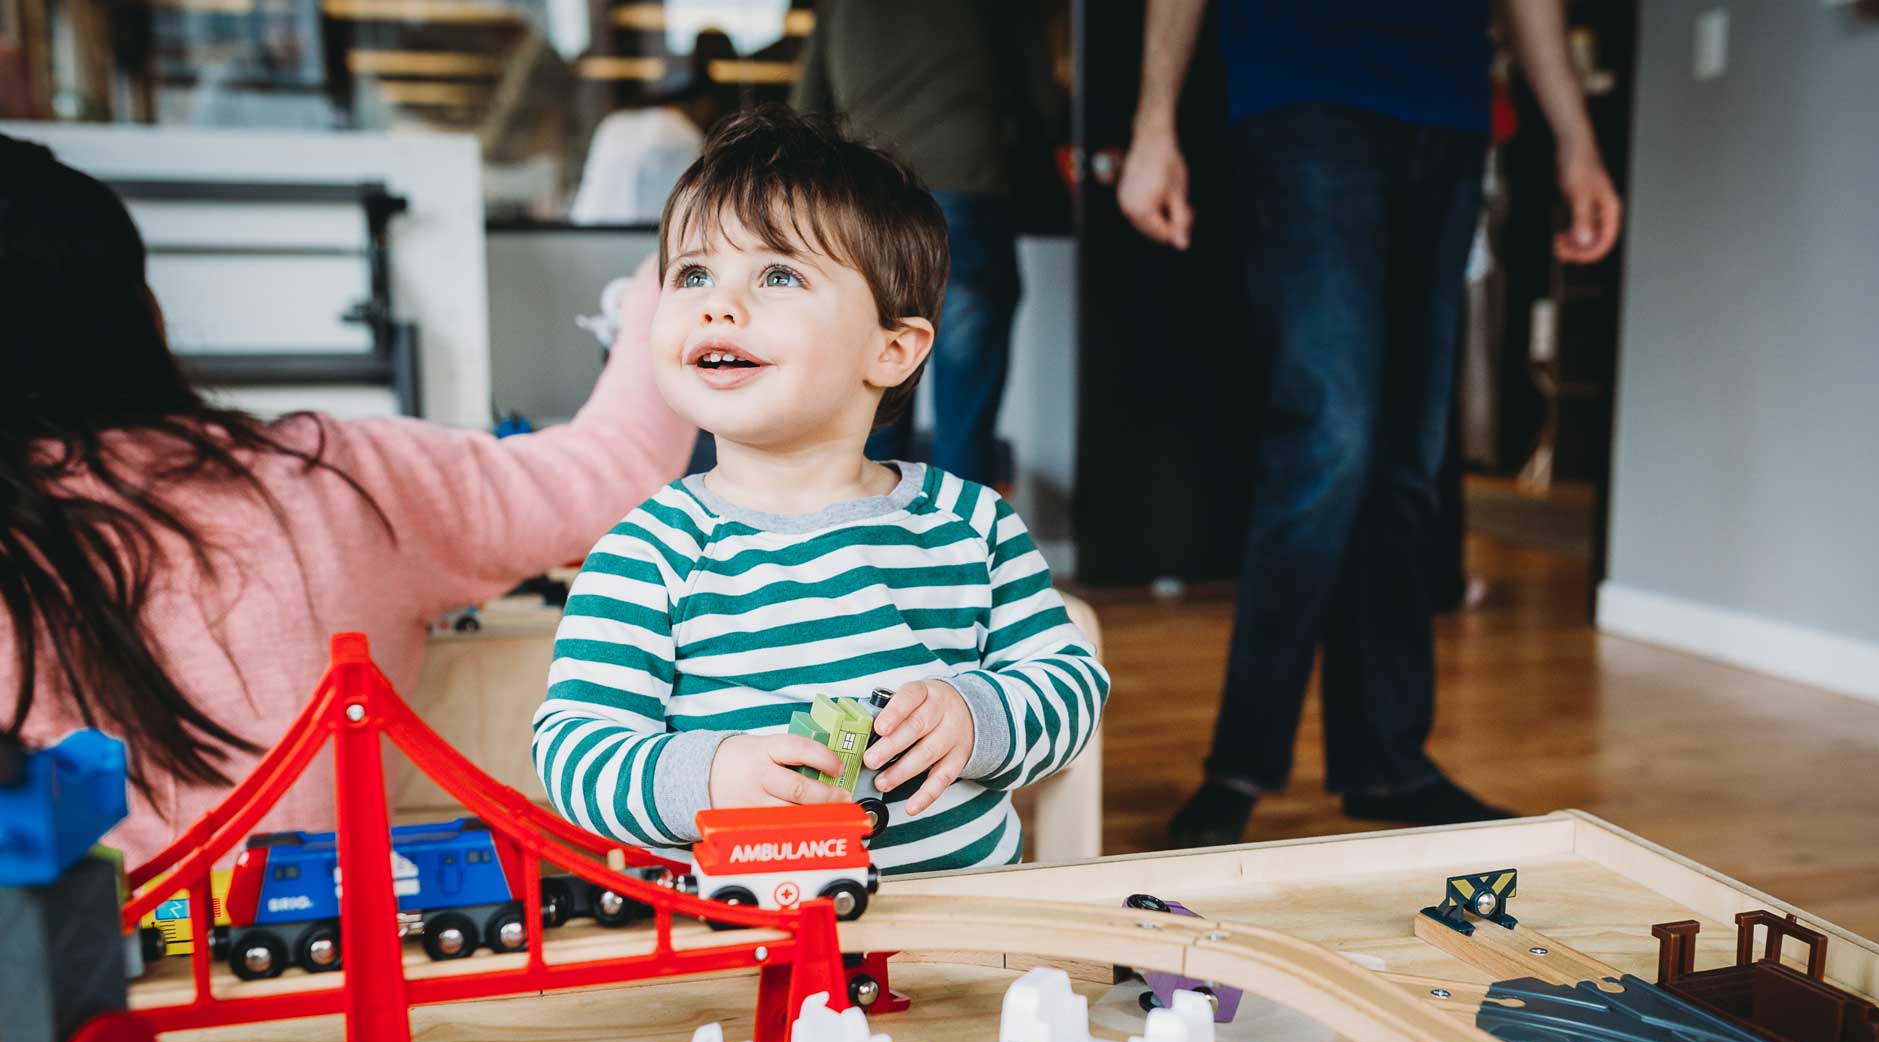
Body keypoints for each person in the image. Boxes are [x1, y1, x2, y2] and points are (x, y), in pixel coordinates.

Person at [0, 134, 696, 863]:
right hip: (332, 956)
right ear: (147, 316)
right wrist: (672, 275)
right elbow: (611, 469)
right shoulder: (333, 480)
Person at [531, 106, 1106, 873]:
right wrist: (708, 774)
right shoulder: (646, 553)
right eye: (693, 272)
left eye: (777, 275)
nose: (718, 303)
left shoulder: (973, 526)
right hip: (733, 954)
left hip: (964, 941)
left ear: (893, 349)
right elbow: (573, 752)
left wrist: (980, 716)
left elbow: (1070, 686)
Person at [1118, 0, 1622, 845]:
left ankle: (1387, 762)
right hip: (1302, 88)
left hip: (1450, 107)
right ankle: (1238, 765)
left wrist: (1575, 136)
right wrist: (1153, 118)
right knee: (1329, 437)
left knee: (1410, 456)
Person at [791, 1, 1059, 487]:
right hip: (967, 187)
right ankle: (957, 552)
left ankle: (873, 549)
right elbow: (1038, 99)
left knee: (873, 404)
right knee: (966, 413)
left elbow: (809, 104)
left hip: (868, 198)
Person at [570, 41, 726, 227]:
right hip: (645, 242)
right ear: (704, 102)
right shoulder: (681, 133)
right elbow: (697, 209)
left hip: (589, 241)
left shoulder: (614, 124)